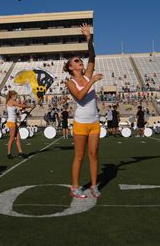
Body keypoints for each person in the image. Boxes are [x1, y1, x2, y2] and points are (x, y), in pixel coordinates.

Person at [64, 23, 103, 199]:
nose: (80, 61)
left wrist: (89, 38)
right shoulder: (70, 82)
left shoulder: (88, 73)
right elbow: (80, 96)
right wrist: (92, 81)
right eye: (76, 61)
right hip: (80, 123)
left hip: (94, 122)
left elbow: (92, 55)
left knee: (93, 155)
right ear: (71, 67)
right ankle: (74, 187)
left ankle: (94, 185)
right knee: (79, 156)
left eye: (80, 60)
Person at [6, 90, 33, 159]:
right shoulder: (11, 101)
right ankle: (9, 153)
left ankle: (20, 152)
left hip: (14, 121)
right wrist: (29, 106)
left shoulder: (12, 102)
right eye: (15, 96)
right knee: (12, 138)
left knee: (18, 138)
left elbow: (20, 108)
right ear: (12, 96)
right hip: (11, 122)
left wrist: (28, 107)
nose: (16, 97)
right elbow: (20, 105)